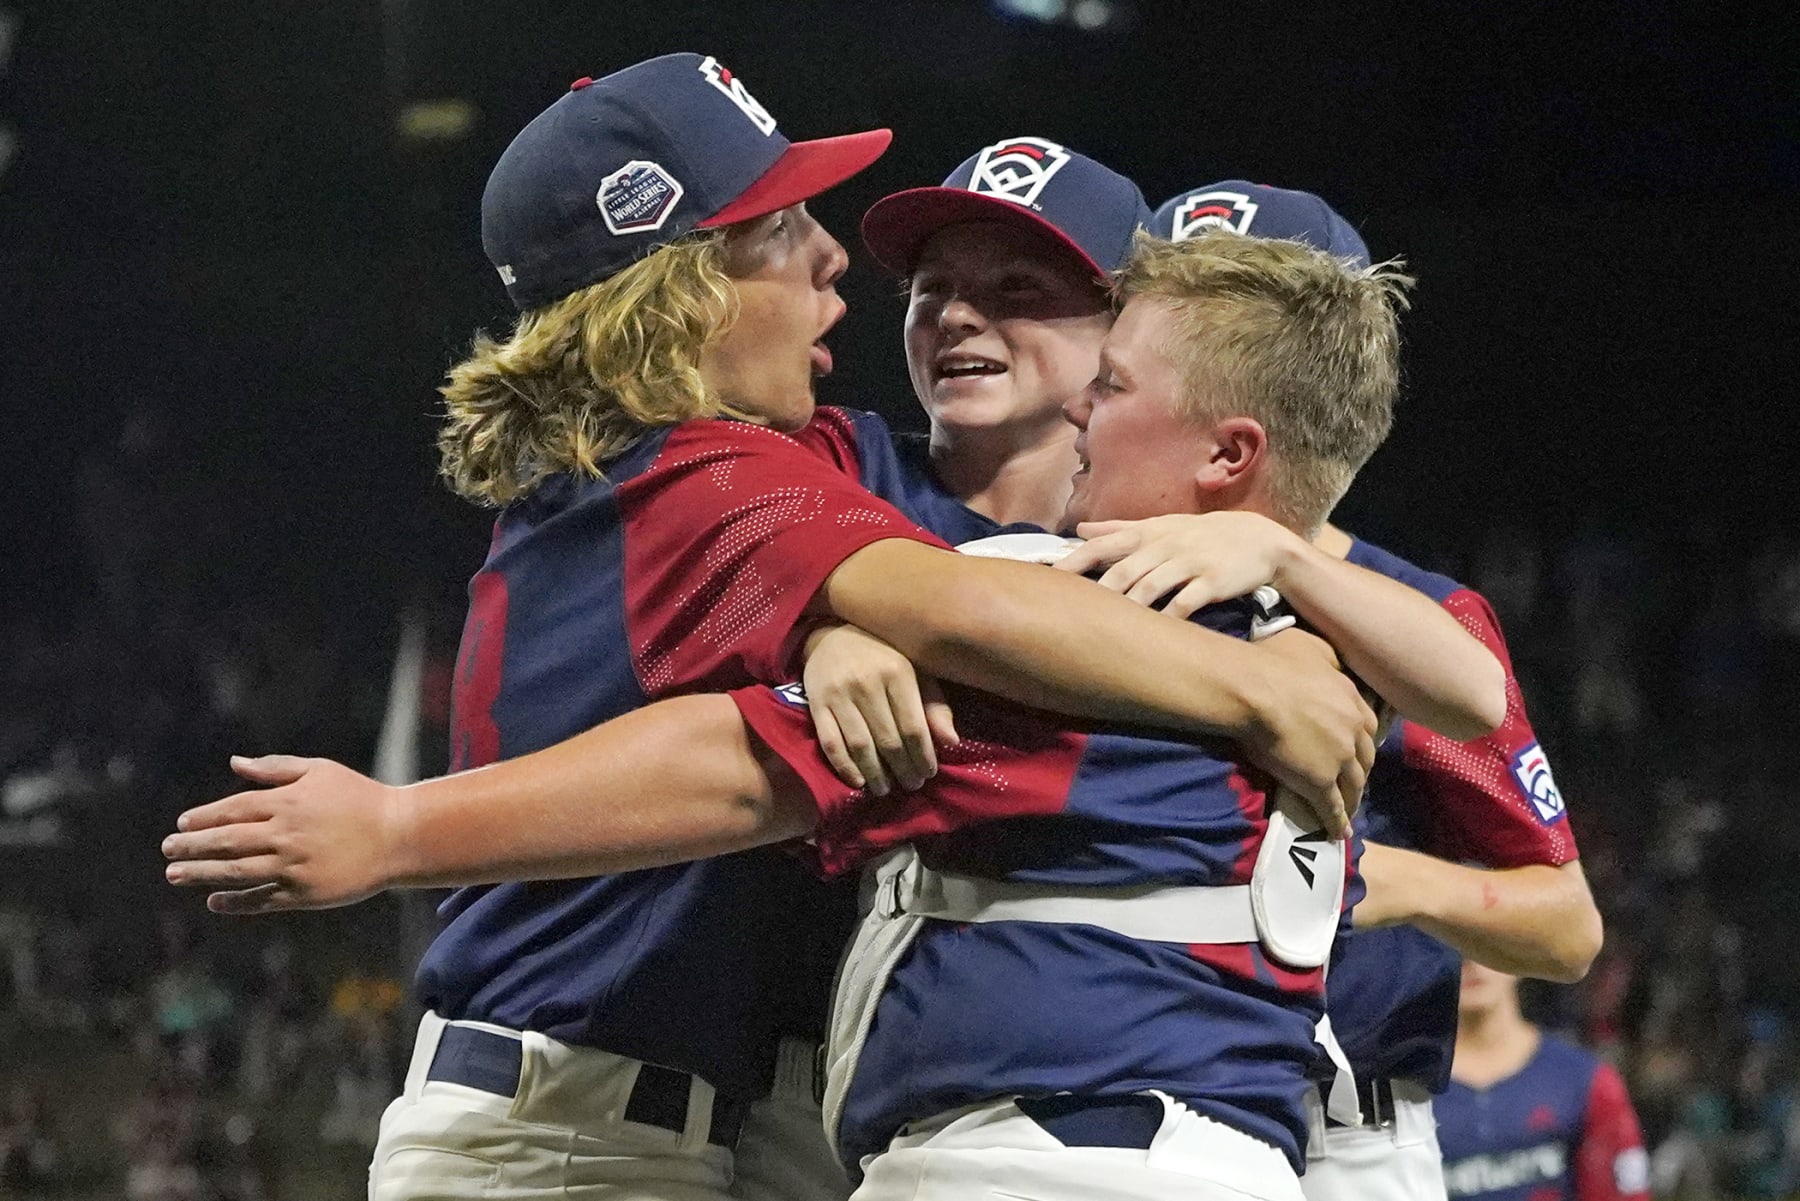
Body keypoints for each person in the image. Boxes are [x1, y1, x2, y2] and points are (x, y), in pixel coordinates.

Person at [168, 229, 1473, 1200]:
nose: (942, 306)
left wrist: (399, 827)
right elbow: (1478, 697)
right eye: (938, 283)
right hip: (1154, 1150)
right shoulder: (1346, 630)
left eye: (1102, 356)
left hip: (982, 1156)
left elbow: (757, 763)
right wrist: (1296, 599)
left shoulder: (1041, 607)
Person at [1122, 181, 1604, 1201]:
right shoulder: (1085, 567)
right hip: (1128, 1108)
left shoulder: (1420, 621)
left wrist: (1368, 877)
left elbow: (1565, 927)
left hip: (1344, 1139)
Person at [1435, 962, 1649, 1201]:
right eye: (1449, 943)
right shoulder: (1399, 1091)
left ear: (1518, 952)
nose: (1470, 963)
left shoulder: (1585, 1081)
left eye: (1482, 942)